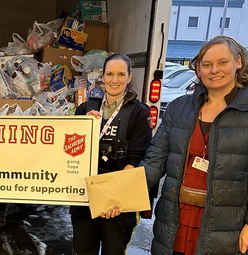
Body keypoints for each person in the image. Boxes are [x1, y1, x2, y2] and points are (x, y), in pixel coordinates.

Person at [139, 35, 248, 254]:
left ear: (238, 62)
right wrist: (117, 195)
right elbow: (154, 162)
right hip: (175, 218)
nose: (214, 70)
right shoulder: (179, 107)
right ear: (198, 69)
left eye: (222, 63)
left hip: (226, 227)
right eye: (207, 65)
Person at [70, 53, 153, 255]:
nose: (115, 80)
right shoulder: (85, 108)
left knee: (113, 251)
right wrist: (84, 126)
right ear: (103, 77)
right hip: (85, 196)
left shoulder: (139, 112)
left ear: (129, 77)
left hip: (119, 199)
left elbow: (137, 157)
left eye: (121, 74)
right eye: (110, 74)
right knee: (84, 249)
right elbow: (71, 150)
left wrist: (116, 197)